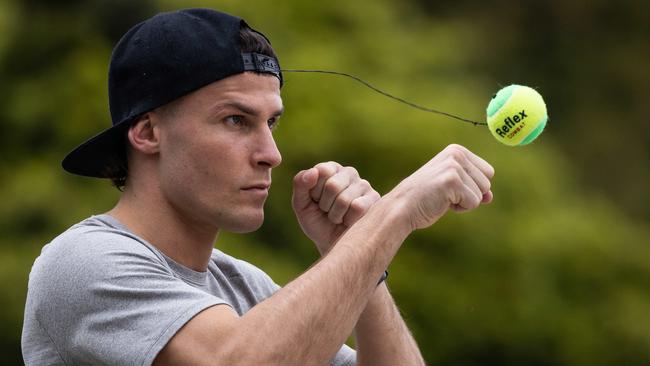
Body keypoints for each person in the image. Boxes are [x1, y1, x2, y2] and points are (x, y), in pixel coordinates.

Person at [22, 8, 494, 366]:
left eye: (272, 122)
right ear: (147, 133)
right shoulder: (82, 262)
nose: (271, 153)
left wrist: (359, 251)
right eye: (235, 120)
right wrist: (396, 213)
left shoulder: (247, 289)